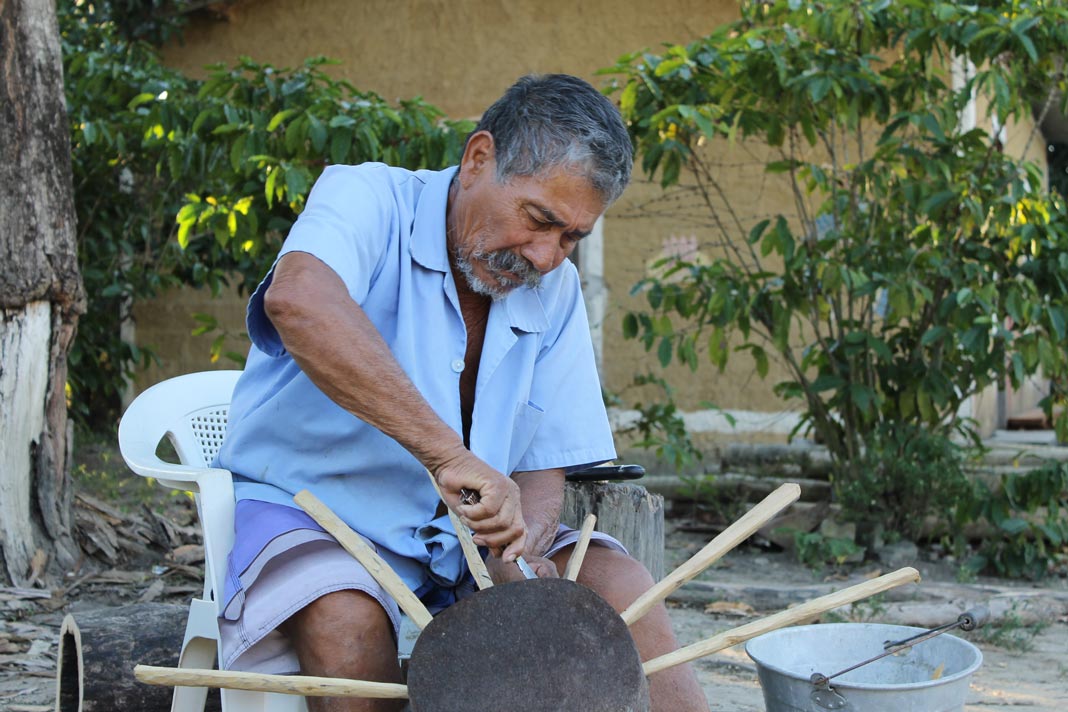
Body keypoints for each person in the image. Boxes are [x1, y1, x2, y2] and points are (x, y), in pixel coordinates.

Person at [215, 73, 710, 712]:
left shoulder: (554, 289)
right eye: (539, 220)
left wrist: (521, 554)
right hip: (317, 515)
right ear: (479, 159)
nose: (546, 257)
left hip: (465, 543)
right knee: (348, 620)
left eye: (570, 238)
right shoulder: (366, 197)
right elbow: (299, 300)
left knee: (619, 586)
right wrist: (449, 455)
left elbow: (543, 462)